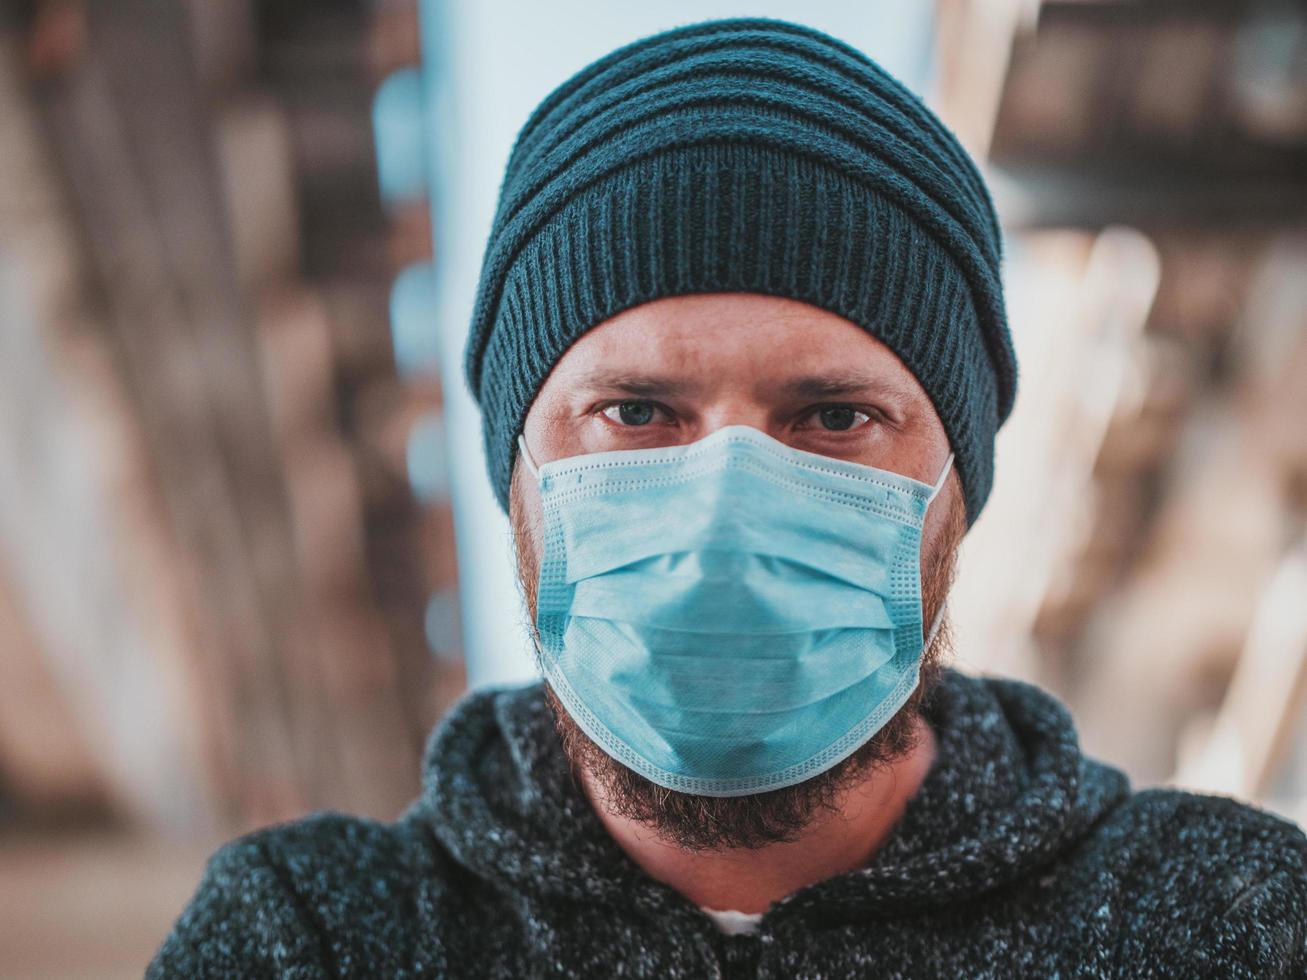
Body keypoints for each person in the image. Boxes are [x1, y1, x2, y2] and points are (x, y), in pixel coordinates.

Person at [148, 16, 1307, 978]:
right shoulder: (308, 938)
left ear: (958, 486)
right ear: (514, 473)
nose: (720, 522)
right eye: (637, 413)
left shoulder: (1219, 923)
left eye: (832, 417)